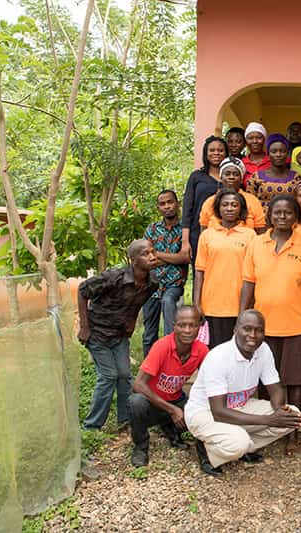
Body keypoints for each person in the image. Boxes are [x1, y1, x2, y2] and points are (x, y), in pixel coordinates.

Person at [239, 194, 301, 454]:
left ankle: (292, 433)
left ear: (296, 217)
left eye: (288, 212)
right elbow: (248, 283)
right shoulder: (256, 243)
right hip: (261, 328)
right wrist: (242, 319)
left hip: (296, 324)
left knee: (295, 382)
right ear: (270, 215)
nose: (282, 216)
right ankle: (268, 430)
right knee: (264, 381)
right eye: (277, 212)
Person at [184, 310, 301, 476]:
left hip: (239, 407)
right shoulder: (219, 357)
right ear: (235, 330)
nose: (253, 335)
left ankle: (234, 445)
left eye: (259, 330)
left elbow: (276, 388)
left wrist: (278, 410)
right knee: (238, 442)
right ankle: (208, 451)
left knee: (293, 416)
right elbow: (219, 412)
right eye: (247, 329)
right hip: (205, 413)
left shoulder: (263, 350)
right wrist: (269, 420)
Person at [78, 239, 159, 431]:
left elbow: (138, 302)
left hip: (119, 335)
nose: (152, 256)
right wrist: (84, 326)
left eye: (153, 252)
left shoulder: (152, 283)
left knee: (124, 375)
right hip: (97, 332)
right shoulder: (114, 277)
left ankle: (125, 419)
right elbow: (83, 291)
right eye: (145, 253)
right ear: (133, 260)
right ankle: (92, 426)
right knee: (108, 376)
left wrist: (131, 321)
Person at [129, 305, 209, 466]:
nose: (187, 330)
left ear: (199, 327)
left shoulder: (201, 350)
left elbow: (211, 380)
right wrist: (172, 410)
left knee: (200, 415)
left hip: (176, 399)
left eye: (192, 325)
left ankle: (170, 429)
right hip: (152, 402)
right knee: (135, 402)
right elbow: (138, 384)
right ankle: (140, 447)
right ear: (174, 326)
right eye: (182, 325)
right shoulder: (162, 346)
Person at [194, 189, 256, 348]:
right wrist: (197, 304)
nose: (229, 208)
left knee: (237, 352)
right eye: (225, 205)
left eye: (234, 205)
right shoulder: (207, 235)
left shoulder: (250, 235)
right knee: (212, 353)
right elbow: (199, 271)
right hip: (211, 306)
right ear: (218, 209)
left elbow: (254, 274)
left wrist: (250, 304)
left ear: (240, 209)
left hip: (238, 306)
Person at [141, 190, 188, 358]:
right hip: (152, 285)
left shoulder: (185, 230)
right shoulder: (153, 229)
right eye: (163, 204)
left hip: (173, 285)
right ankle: (149, 371)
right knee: (149, 334)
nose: (167, 206)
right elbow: (146, 258)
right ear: (158, 208)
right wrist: (174, 258)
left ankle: (170, 362)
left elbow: (185, 257)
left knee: (169, 305)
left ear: (177, 203)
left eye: (170, 202)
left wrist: (158, 254)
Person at [181, 135, 228, 265]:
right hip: (198, 234)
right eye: (212, 150)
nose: (216, 153)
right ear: (206, 154)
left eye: (220, 150)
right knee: (200, 272)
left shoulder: (231, 177)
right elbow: (187, 209)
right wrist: (185, 241)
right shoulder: (197, 176)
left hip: (225, 235)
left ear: (226, 153)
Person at [198, 157, 266, 233]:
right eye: (227, 174)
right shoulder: (210, 202)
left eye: (236, 174)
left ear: (241, 179)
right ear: (220, 178)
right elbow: (203, 232)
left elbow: (260, 233)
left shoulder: (253, 201)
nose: (231, 177)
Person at [246, 133, 301, 210]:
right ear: (268, 154)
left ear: (287, 154)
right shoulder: (256, 177)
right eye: (274, 151)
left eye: (282, 151)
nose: (278, 155)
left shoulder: (297, 178)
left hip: (290, 220)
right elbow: (249, 203)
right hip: (261, 220)